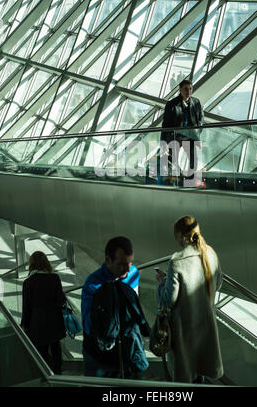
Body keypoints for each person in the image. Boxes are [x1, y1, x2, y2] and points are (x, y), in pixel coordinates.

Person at [155, 216, 223, 383]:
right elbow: (218, 283)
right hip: (206, 328)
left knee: (183, 375)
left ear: (180, 235)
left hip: (184, 330)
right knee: (201, 372)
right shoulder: (210, 253)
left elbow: (168, 300)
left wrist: (162, 282)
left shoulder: (177, 262)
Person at [81, 236, 149, 378]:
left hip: (128, 351)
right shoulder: (92, 285)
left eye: (130, 262)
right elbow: (88, 325)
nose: (128, 269)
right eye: (122, 264)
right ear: (108, 260)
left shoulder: (133, 273)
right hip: (100, 356)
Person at [21, 251, 66, 375]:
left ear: (32, 264)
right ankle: (58, 372)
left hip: (37, 320)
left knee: (42, 349)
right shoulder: (54, 278)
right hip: (54, 319)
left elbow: (26, 306)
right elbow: (61, 300)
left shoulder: (28, 283)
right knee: (56, 346)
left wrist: (24, 325)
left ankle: (46, 374)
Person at [160, 79, 204, 184]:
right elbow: (165, 124)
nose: (188, 91)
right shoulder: (172, 104)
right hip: (176, 137)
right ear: (180, 90)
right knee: (173, 160)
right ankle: (178, 180)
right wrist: (163, 141)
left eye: (190, 89)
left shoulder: (196, 102)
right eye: (185, 89)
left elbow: (201, 119)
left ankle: (190, 180)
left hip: (191, 137)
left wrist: (198, 132)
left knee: (194, 160)